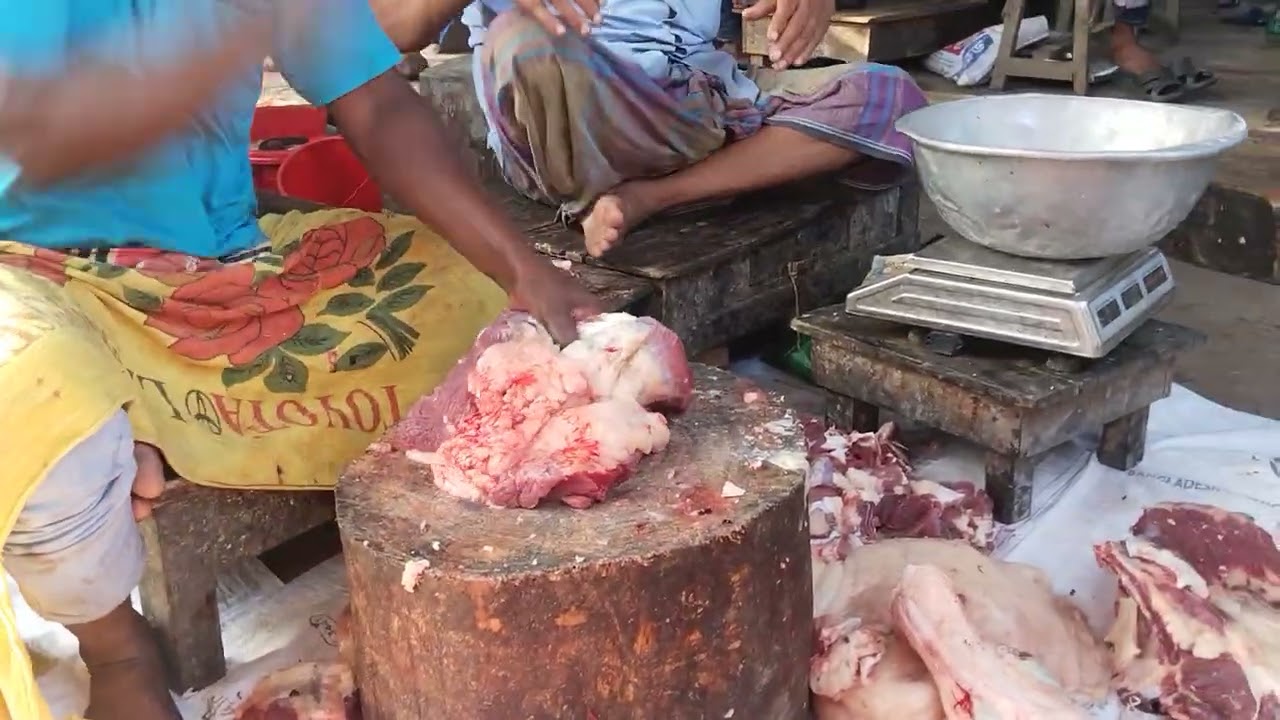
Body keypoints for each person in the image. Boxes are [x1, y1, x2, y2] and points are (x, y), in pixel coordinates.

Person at [0, 1, 602, 719]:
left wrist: (518, 269)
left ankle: (136, 408)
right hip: (32, 274)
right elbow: (36, 130)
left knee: (477, 311)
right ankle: (114, 646)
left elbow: (375, 102)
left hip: (225, 275)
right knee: (25, 389)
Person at [439, 0, 931, 257]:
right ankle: (602, 187)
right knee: (522, 36)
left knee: (892, 97)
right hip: (559, 124)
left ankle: (649, 197)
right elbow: (394, 30)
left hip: (695, 110)